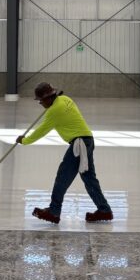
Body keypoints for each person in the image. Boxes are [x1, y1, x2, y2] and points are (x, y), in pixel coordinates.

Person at [17, 82, 113, 225]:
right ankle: (104, 210)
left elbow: (41, 131)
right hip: (88, 140)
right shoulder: (65, 99)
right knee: (89, 178)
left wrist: (24, 140)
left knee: (63, 177)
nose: (41, 104)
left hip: (79, 144)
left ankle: (54, 211)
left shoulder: (54, 111)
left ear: (49, 98)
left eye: (41, 101)